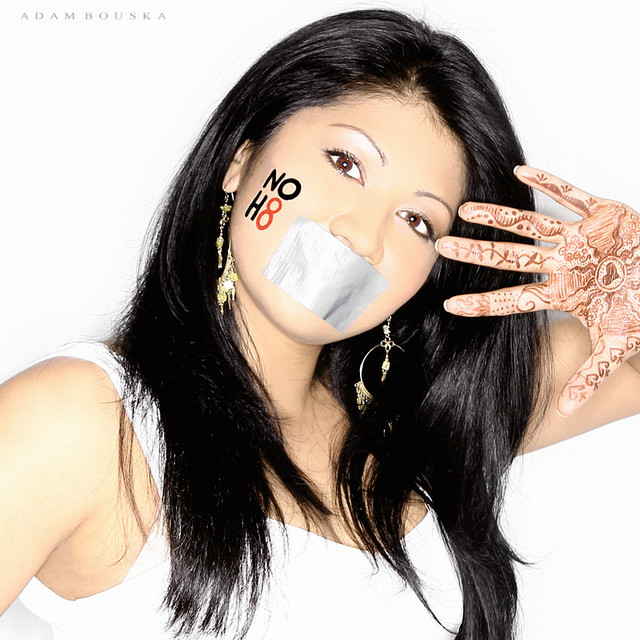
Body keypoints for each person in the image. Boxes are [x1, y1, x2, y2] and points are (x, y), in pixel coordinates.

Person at [1, 8, 639, 640]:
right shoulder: (80, 420)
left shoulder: (421, 416)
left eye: (417, 221)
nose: (362, 236)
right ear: (241, 159)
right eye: (345, 163)